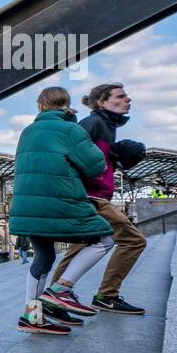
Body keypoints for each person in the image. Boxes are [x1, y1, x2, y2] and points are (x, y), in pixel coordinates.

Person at [8, 86, 115, 335]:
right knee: (104, 240)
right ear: (67, 104)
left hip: (27, 206)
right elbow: (95, 165)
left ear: (40, 106)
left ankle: (32, 317)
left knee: (43, 259)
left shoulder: (28, 131)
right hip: (59, 201)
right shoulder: (71, 129)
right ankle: (61, 289)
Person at [49, 83, 148, 314]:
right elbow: (70, 157)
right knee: (134, 240)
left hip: (93, 195)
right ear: (102, 102)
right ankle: (107, 296)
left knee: (79, 246)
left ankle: (52, 300)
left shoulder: (107, 126)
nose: (128, 100)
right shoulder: (93, 123)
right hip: (90, 196)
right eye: (121, 96)